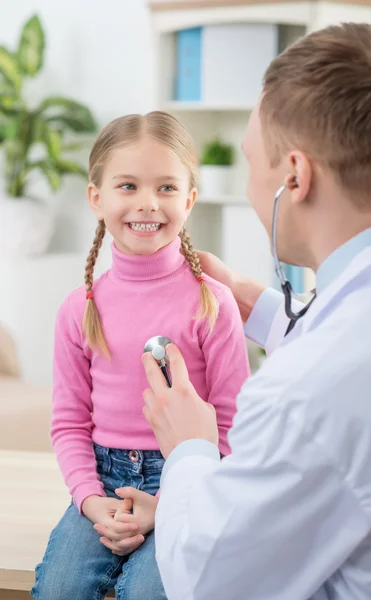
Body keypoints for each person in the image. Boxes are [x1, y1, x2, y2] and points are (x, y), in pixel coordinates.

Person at [118, 23, 371, 600]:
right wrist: (261, 308)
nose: (248, 187)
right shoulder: (367, 318)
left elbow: (209, 579)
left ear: (294, 176)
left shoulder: (312, 387)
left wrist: (190, 445)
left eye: (251, 163)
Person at [31, 111, 250, 600]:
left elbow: (233, 426)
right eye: (127, 186)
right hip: (101, 484)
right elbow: (69, 423)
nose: (148, 203)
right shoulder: (79, 309)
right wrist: (89, 501)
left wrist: (176, 500)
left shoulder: (212, 303)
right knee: (59, 588)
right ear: (97, 198)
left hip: (185, 482)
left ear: (190, 199)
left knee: (153, 592)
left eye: (167, 188)